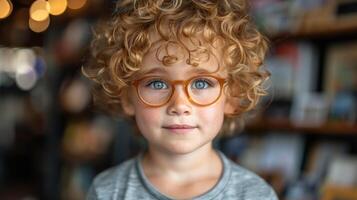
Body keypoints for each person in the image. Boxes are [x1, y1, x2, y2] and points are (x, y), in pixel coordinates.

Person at [84, 0, 277, 199]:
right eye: (157, 84)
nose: (179, 105)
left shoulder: (256, 194)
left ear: (232, 95)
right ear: (127, 98)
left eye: (201, 83)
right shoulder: (107, 191)